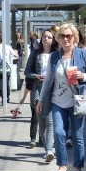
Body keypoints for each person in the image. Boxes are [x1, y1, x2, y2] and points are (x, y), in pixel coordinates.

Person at [37, 22, 86, 171]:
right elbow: (48, 80)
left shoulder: (84, 53)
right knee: (58, 133)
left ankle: (77, 166)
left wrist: (83, 76)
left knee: (77, 136)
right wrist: (41, 99)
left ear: (74, 37)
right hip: (58, 101)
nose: (65, 39)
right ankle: (62, 166)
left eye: (68, 36)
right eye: (62, 36)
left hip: (78, 101)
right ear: (58, 38)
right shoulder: (54, 57)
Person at [25, 29, 56, 160]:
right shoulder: (35, 53)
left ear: (53, 40)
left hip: (52, 90)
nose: (46, 39)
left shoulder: (56, 55)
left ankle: (49, 150)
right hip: (38, 89)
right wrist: (36, 76)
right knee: (41, 122)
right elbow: (26, 71)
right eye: (44, 37)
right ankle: (47, 148)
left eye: (49, 37)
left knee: (50, 121)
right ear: (41, 39)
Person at [0, 34, 18, 101]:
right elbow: (16, 56)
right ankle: (7, 96)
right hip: (7, 68)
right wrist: (16, 52)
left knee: (0, 83)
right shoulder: (8, 47)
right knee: (7, 82)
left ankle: (3, 97)